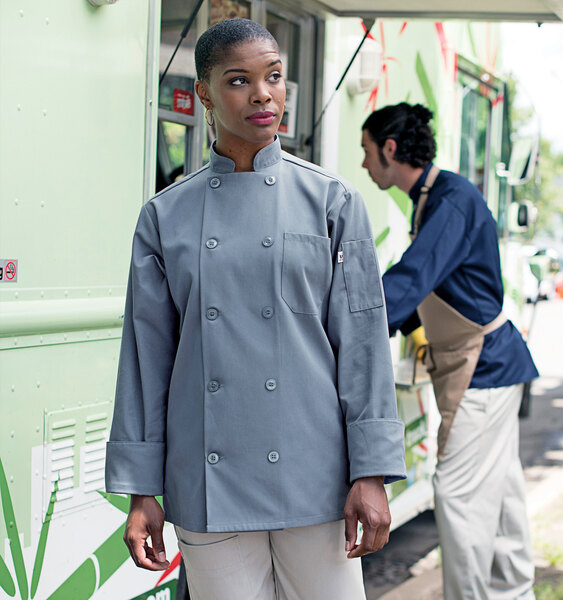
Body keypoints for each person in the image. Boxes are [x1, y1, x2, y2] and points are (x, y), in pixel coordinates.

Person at [105, 18, 406, 600]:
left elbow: (363, 345)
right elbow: (145, 359)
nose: (263, 94)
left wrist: (370, 473)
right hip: (207, 479)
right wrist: (142, 490)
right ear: (205, 95)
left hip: (317, 474)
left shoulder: (333, 201)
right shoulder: (165, 217)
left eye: (274, 76)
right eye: (239, 80)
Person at [361, 102, 539, 600]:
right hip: (490, 367)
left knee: (458, 495)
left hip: (484, 368)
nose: (363, 163)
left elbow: (414, 277)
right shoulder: (434, 197)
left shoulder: (450, 200)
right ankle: (512, 593)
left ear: (389, 150)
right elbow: (437, 286)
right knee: (499, 492)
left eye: (366, 152)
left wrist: (350, 325)